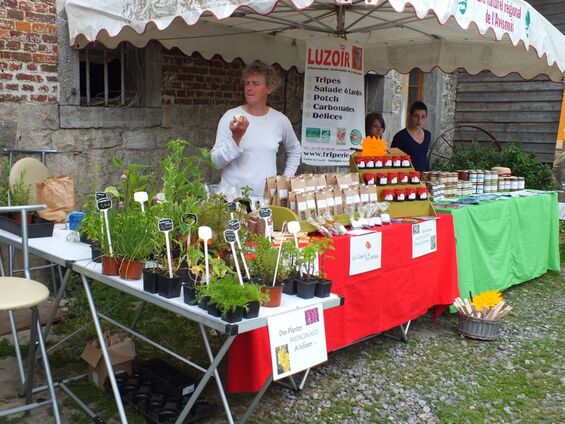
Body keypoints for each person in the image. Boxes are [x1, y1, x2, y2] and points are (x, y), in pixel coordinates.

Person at [211, 61, 301, 201]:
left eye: (255, 83)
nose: (249, 88)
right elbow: (215, 162)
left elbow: (295, 150)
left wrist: (285, 180)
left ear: (268, 88)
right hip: (232, 199)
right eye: (247, 83)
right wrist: (236, 138)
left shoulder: (280, 120)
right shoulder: (231, 117)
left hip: (264, 200)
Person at [391, 101, 431, 172]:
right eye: (416, 116)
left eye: (423, 117)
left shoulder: (427, 135)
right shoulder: (400, 136)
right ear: (410, 116)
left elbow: (424, 158)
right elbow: (393, 160)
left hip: (424, 177)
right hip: (406, 178)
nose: (419, 120)